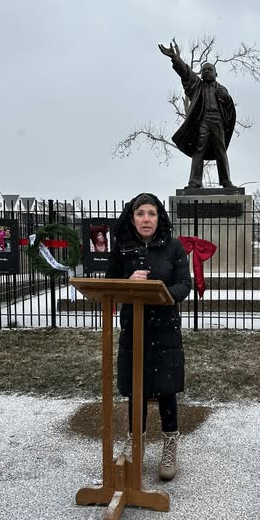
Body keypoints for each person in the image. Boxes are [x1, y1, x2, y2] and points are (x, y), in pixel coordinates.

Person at [106, 192, 192, 479]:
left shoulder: (174, 247)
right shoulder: (122, 248)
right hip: (135, 327)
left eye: (151, 213)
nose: (146, 219)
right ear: (132, 217)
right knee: (136, 388)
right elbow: (110, 283)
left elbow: (184, 284)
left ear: (159, 217)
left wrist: (162, 292)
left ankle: (170, 444)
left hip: (164, 327)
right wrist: (127, 282)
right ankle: (135, 443)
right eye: (140, 213)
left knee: (166, 388)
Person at [158, 39, 237, 190]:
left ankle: (226, 182)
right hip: (203, 121)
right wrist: (175, 58)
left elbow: (230, 108)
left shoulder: (222, 89)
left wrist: (227, 99)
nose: (206, 72)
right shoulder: (197, 86)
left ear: (216, 73)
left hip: (217, 121)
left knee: (221, 150)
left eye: (210, 70)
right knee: (198, 149)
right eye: (204, 70)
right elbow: (185, 71)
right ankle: (194, 182)